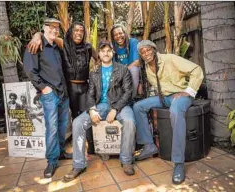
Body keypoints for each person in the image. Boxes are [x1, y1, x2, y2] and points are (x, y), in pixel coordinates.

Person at [133, 40, 204, 184]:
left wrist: (188, 91)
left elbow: (196, 70)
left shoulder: (169, 59)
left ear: (153, 49)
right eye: (142, 52)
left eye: (148, 50)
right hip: (164, 98)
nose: (146, 53)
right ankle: (149, 145)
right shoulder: (146, 67)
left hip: (181, 96)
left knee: (175, 111)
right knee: (138, 107)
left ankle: (179, 163)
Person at [64, 40, 136, 181]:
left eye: (108, 50)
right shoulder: (94, 72)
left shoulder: (123, 69)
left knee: (129, 121)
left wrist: (115, 109)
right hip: (101, 105)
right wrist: (91, 110)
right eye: (103, 51)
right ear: (99, 54)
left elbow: (128, 92)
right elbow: (90, 94)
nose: (106, 53)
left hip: (120, 104)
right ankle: (79, 164)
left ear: (112, 52)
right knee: (78, 123)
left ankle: (126, 160)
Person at [28, 22, 98, 155]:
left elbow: (99, 59)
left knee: (87, 115)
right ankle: (77, 145)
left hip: (84, 86)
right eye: (76, 30)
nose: (78, 33)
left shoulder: (88, 47)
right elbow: (47, 35)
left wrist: (97, 69)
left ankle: (92, 146)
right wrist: (37, 35)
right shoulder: (63, 44)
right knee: (72, 119)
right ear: (71, 32)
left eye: (81, 31)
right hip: (70, 87)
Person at [23, 18, 71, 178]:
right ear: (44, 28)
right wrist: (44, 88)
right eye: (51, 27)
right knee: (52, 128)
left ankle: (61, 152)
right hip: (50, 95)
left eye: (57, 28)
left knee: (63, 126)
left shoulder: (56, 46)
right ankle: (51, 160)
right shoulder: (37, 45)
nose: (54, 30)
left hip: (63, 94)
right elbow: (30, 70)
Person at [110, 24, 140, 98]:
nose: (118, 36)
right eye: (115, 35)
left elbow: (137, 61)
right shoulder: (113, 47)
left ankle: (130, 98)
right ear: (113, 37)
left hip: (131, 72)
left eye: (120, 33)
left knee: (134, 70)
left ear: (125, 33)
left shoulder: (133, 42)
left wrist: (123, 71)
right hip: (119, 74)